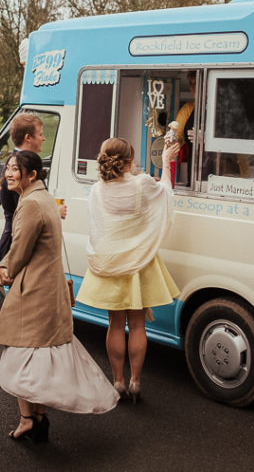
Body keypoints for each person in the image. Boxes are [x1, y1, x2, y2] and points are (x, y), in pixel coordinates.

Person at [0, 150, 119, 443]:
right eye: (7, 168)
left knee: (21, 356)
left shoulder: (31, 204)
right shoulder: (44, 198)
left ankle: (28, 420)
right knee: (38, 357)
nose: (8, 174)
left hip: (34, 290)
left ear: (32, 174)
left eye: (15, 169)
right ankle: (37, 418)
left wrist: (3, 268)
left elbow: (20, 250)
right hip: (49, 289)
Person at [76, 137, 181, 403]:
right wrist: (167, 162)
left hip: (110, 264)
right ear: (128, 161)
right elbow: (165, 197)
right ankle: (135, 381)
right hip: (139, 264)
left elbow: (98, 228)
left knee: (114, 325)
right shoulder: (142, 184)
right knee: (137, 325)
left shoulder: (97, 190)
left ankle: (118, 381)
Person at [0, 113, 66, 262]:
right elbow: (24, 212)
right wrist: (54, 211)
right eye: (40, 134)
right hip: (17, 247)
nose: (44, 138)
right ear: (28, 138)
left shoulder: (25, 164)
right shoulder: (15, 169)